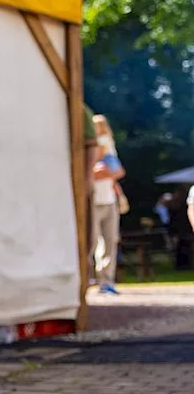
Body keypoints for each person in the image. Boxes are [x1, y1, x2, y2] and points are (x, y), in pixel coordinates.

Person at [91, 114, 125, 294]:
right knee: (92, 242)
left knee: (110, 241)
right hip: (93, 200)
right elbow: (91, 173)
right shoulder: (91, 147)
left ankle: (106, 281)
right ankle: (91, 278)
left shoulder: (108, 148)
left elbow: (118, 172)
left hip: (109, 199)